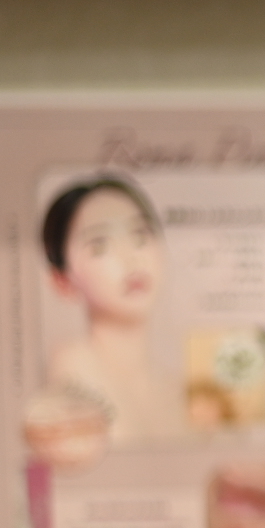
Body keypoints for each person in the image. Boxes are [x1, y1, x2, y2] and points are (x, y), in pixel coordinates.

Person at [26, 173, 181, 464]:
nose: (131, 258)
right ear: (62, 281)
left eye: (140, 236)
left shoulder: (178, 388)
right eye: (100, 246)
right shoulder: (73, 367)